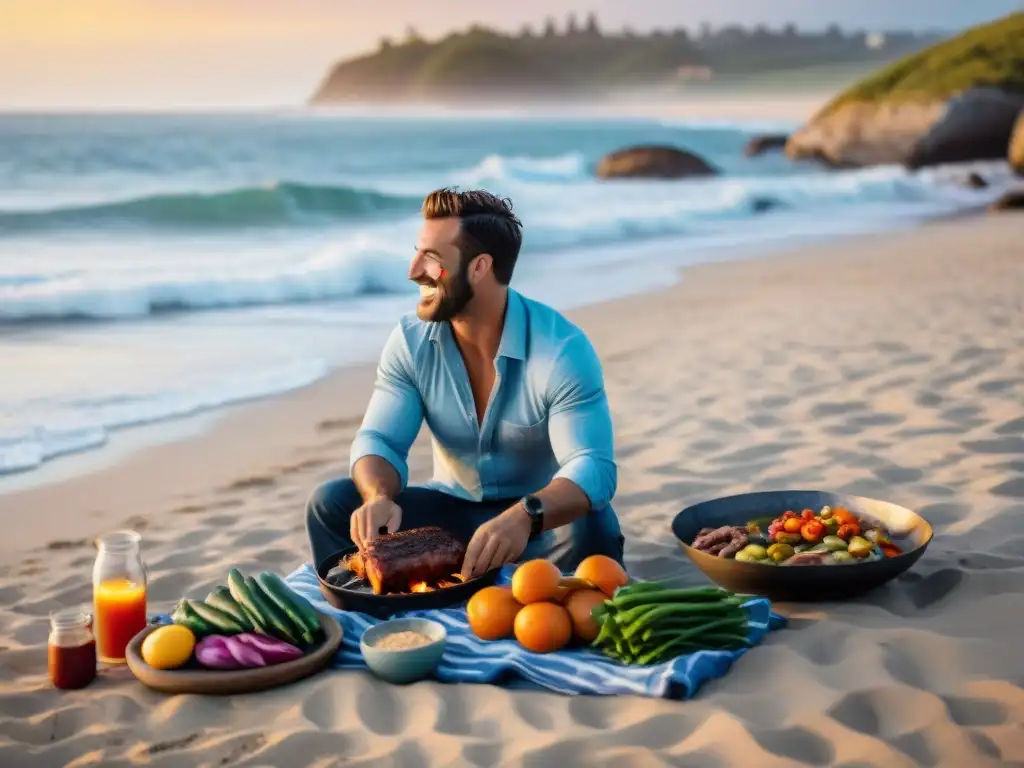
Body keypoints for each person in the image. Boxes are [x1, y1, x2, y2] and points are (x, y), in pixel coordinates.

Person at [305, 187, 624, 580]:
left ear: (479, 268)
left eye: (432, 259)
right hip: (448, 514)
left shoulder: (562, 351)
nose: (413, 270)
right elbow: (380, 440)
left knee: (595, 524)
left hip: (537, 524)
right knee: (331, 503)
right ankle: (364, 611)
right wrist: (378, 497)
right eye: (417, 252)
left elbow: (592, 467)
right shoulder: (410, 341)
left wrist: (526, 515)